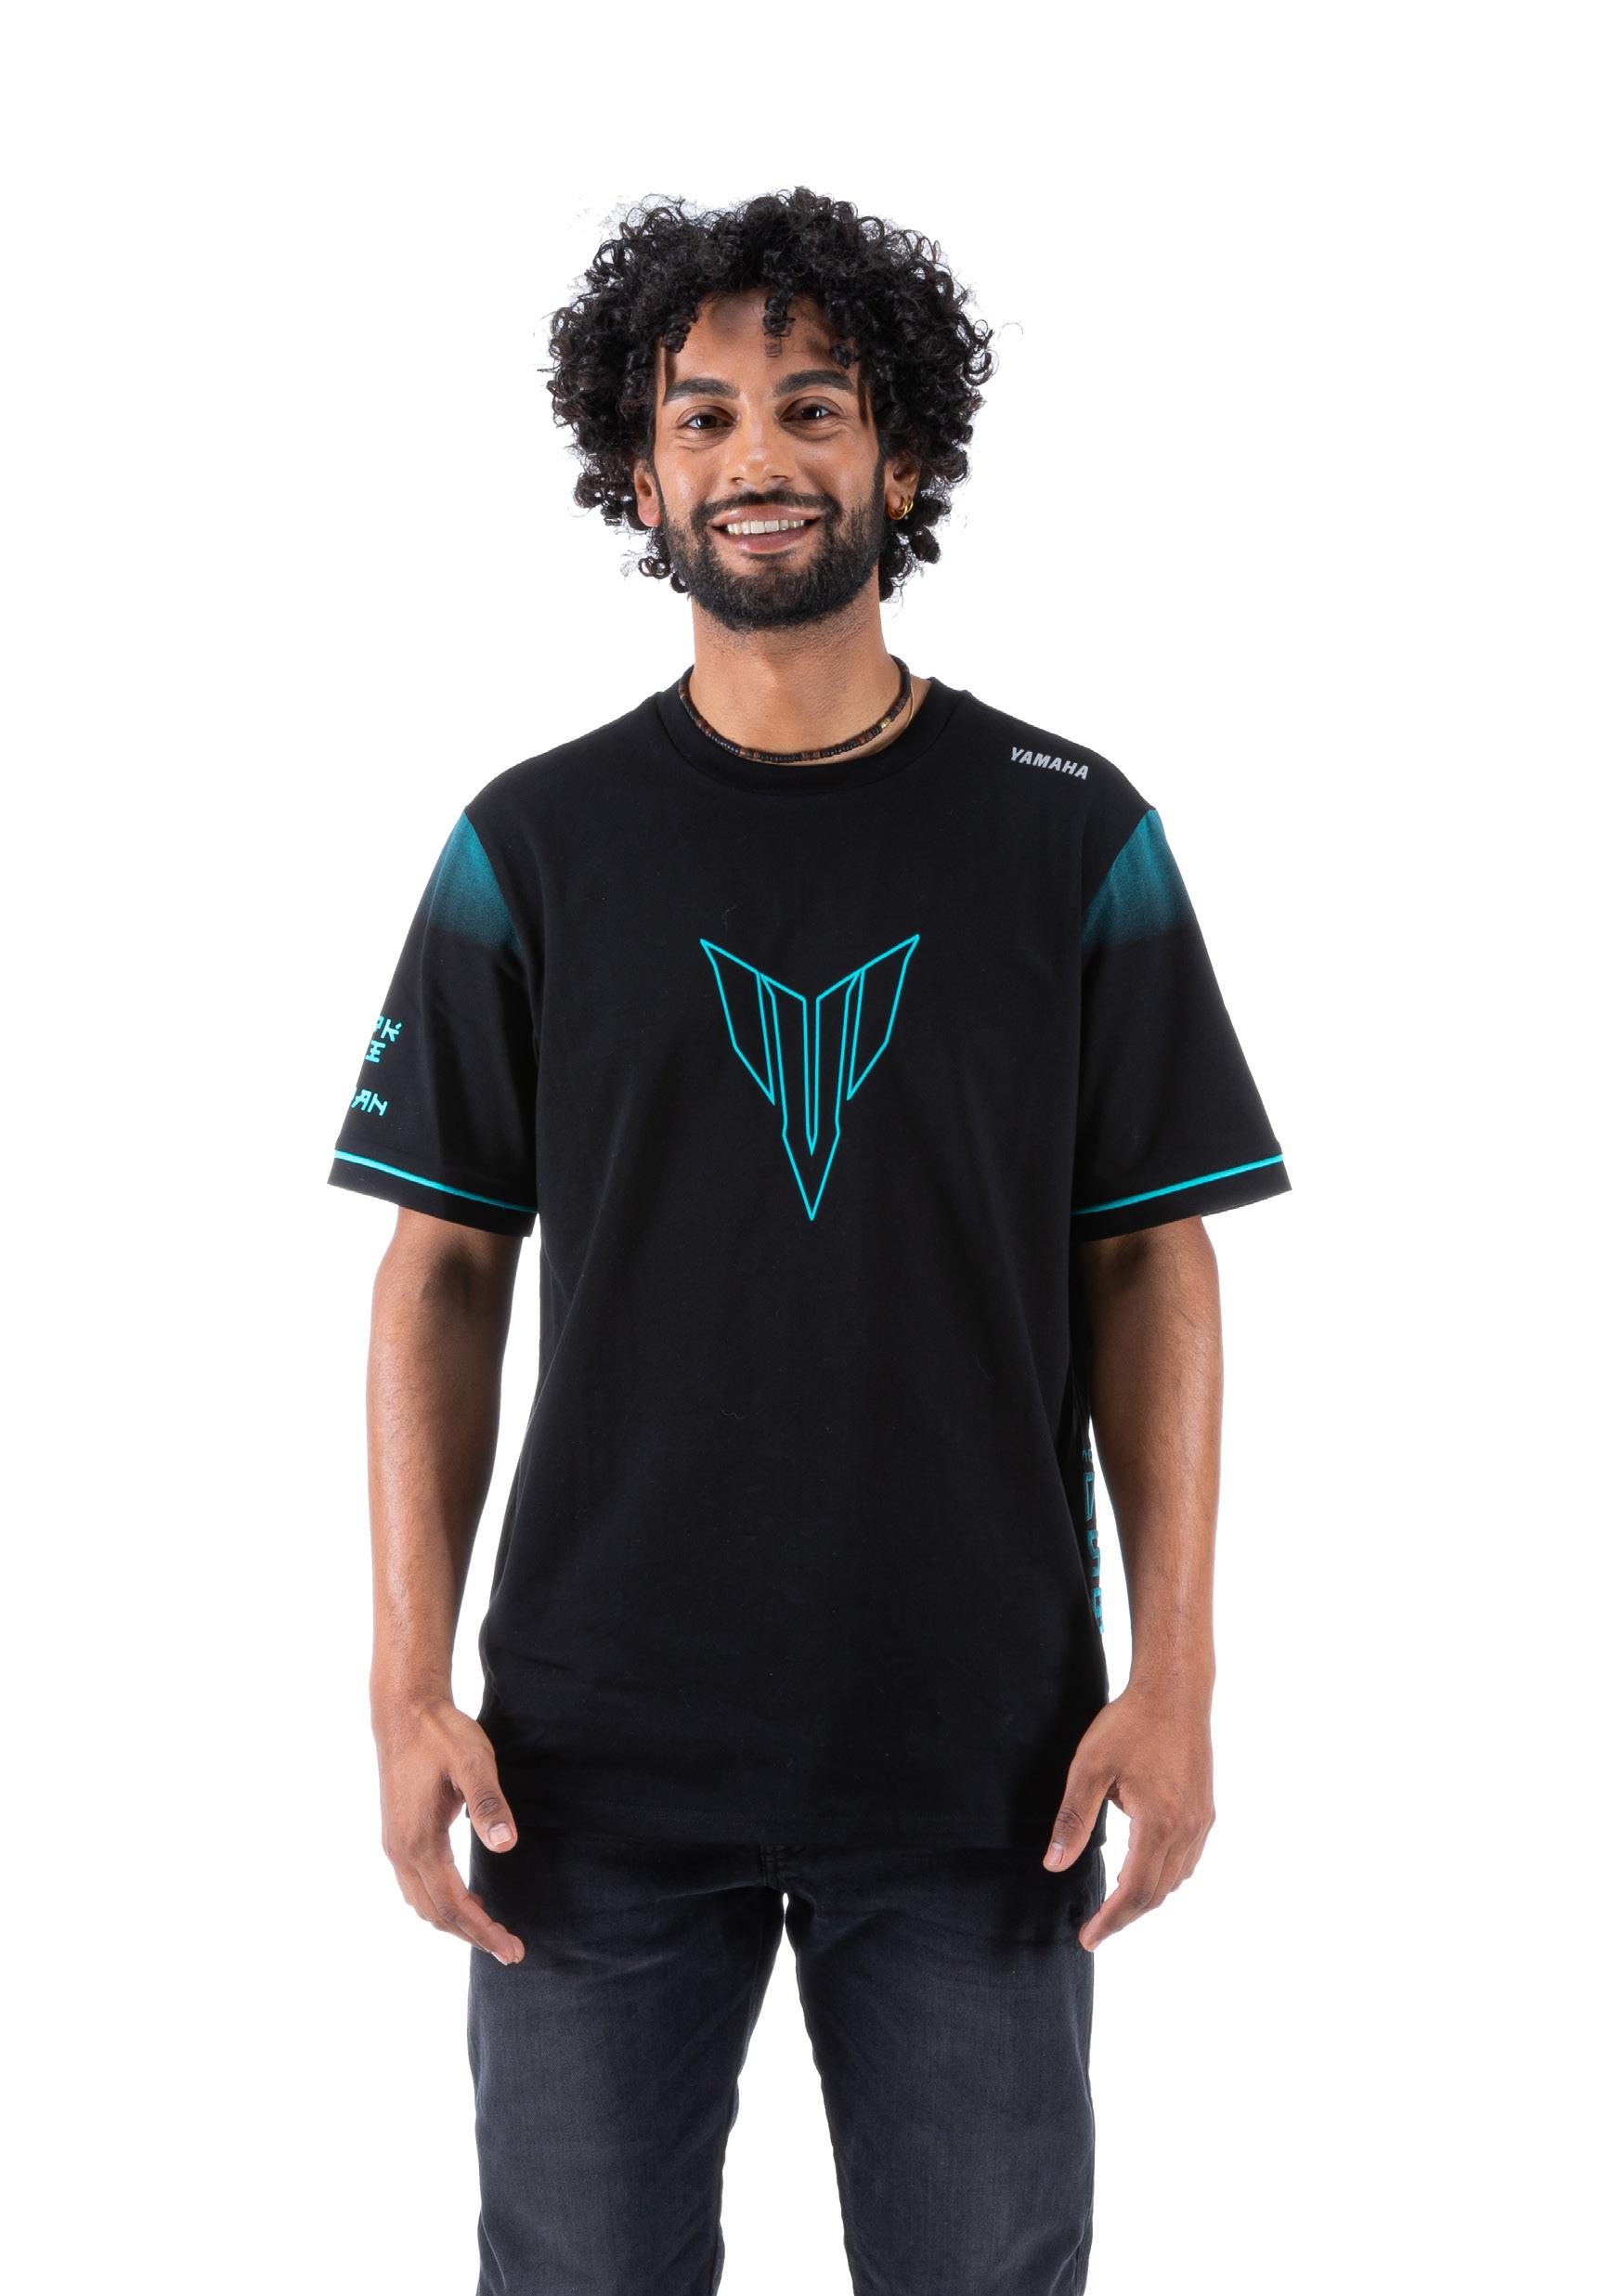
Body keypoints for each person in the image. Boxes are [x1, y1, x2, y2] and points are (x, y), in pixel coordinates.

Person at [327, 188, 1290, 2296]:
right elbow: (442, 1265)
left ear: (903, 456)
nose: (756, 454)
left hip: (983, 1759)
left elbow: (1151, 1257)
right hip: (587, 1765)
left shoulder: (1071, 831)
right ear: (639, 474)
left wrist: (1181, 1669)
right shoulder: (531, 845)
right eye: (703, 415)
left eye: (814, 405)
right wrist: (404, 1678)